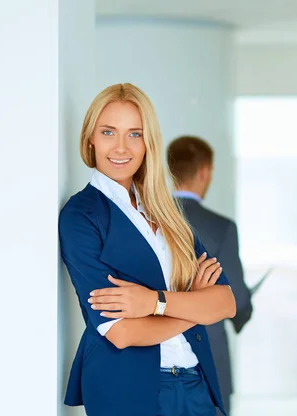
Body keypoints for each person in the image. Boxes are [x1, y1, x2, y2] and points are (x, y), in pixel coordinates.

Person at [59, 83, 236, 416]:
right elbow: (123, 332)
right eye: (109, 132)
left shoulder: (165, 211)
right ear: (90, 138)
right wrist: (194, 306)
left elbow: (225, 302)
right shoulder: (81, 216)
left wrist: (153, 302)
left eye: (135, 134)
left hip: (195, 384)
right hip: (129, 390)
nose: (121, 147)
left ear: (148, 142)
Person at [167, 136, 253, 415]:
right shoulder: (222, 227)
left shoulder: (148, 218)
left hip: (155, 350)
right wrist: (243, 311)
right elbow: (236, 298)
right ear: (204, 172)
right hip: (209, 356)